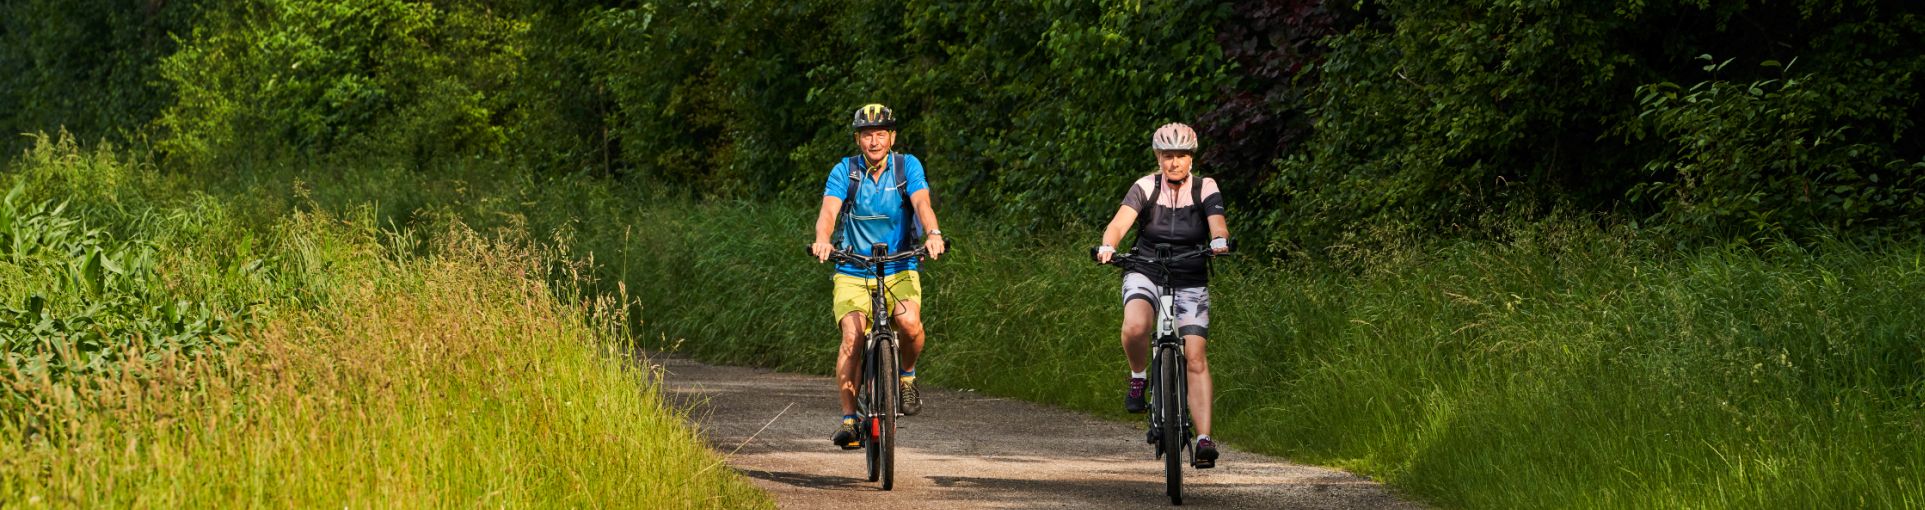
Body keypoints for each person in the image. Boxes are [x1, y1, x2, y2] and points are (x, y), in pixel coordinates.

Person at [811, 103, 947, 449]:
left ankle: (906, 377)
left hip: (899, 264)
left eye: (881, 134)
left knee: (911, 324)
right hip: (853, 268)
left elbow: (922, 203)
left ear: (892, 137)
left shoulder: (907, 167)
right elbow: (829, 211)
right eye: (867, 135)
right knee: (853, 337)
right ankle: (850, 420)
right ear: (858, 140)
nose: (874, 141)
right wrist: (823, 241)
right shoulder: (846, 171)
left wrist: (932, 234)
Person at [1094, 122, 1229, 466]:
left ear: (1191, 158)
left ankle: (1203, 439)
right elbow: (1120, 223)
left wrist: (1218, 241)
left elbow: (1217, 221)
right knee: (1136, 326)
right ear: (1158, 157)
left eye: (1181, 155)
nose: (1175, 162)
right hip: (1146, 267)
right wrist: (1109, 245)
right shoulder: (1145, 186)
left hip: (1190, 270)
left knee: (1196, 356)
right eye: (1168, 156)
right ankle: (1139, 377)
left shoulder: (1205, 187)